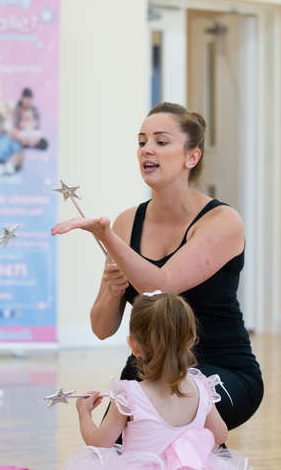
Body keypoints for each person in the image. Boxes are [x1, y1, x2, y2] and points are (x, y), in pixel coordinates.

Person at [51, 102, 263, 431]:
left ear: (191, 157)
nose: (147, 150)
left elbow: (163, 286)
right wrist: (112, 287)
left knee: (168, 416)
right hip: (149, 372)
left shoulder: (223, 220)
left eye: (161, 142)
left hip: (222, 369)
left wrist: (107, 237)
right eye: (141, 141)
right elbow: (102, 328)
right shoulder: (126, 222)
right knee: (119, 455)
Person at [62, 292, 250, 470]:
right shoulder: (201, 388)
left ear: (134, 345)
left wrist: (84, 414)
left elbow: (99, 443)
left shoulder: (130, 396)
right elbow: (220, 435)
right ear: (190, 340)